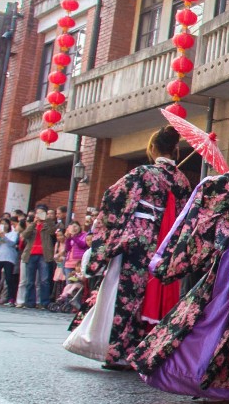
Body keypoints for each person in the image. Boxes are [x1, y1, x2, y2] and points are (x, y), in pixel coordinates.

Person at [134, 108, 229, 404]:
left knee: (217, 311)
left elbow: (208, 195)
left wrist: (208, 189)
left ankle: (200, 375)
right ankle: (224, 382)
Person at [83, 127, 194, 366]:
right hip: (164, 244)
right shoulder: (182, 179)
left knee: (129, 295)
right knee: (153, 294)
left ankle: (120, 352)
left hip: (138, 239)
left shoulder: (143, 173)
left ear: (153, 148)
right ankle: (148, 353)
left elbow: (113, 198)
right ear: (175, 150)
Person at [0, 217, 19, 305]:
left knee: (9, 278)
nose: (4, 225)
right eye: (2, 224)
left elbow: (12, 243)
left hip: (8, 258)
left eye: (5, 223)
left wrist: (4, 237)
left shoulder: (13, 234)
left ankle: (10, 298)